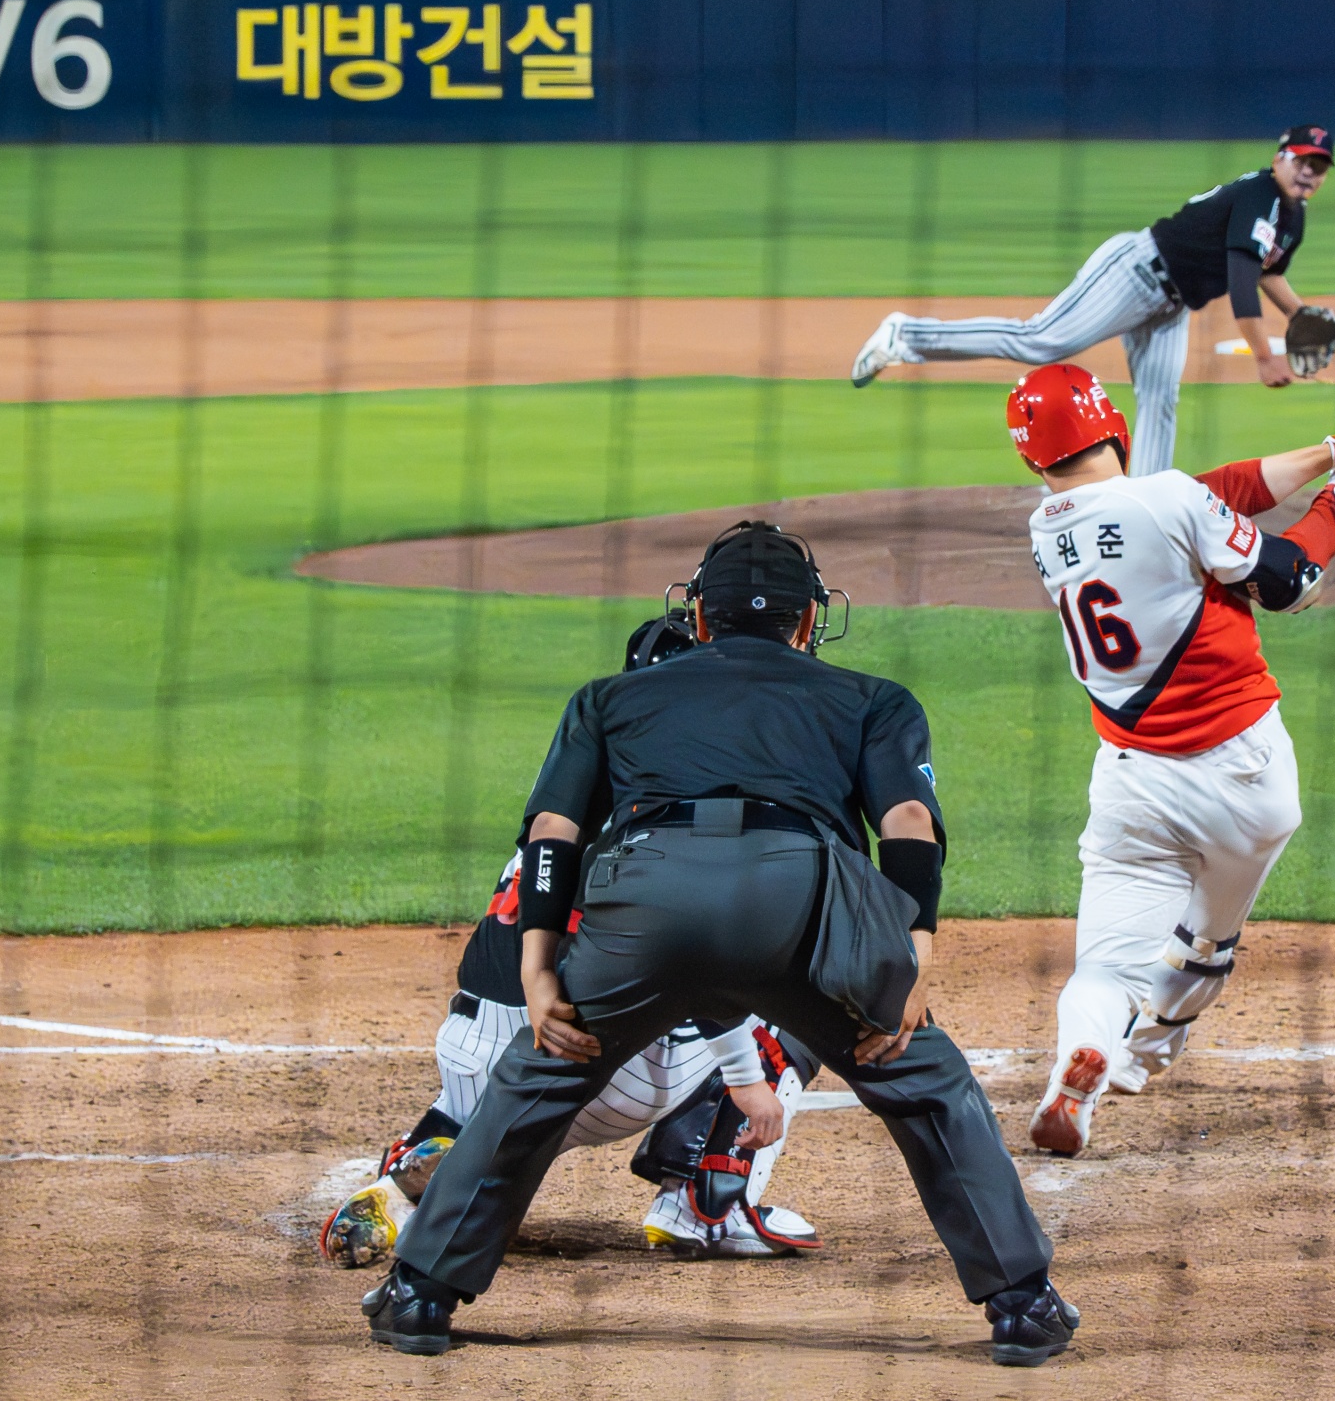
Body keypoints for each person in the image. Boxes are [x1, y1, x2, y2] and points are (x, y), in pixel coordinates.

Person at [366, 522, 1078, 1368]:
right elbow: (908, 824)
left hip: (647, 902)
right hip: (798, 906)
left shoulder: (608, 698)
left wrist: (537, 966)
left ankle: (420, 1294)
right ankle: (1022, 1305)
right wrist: (914, 951)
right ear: (808, 620)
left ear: (699, 617)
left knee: (540, 1076)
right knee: (921, 1077)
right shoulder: (874, 698)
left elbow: (554, 831)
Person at [322, 616, 826, 1270]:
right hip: (594, 1072)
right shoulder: (697, 799)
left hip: (474, 1047)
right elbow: (700, 964)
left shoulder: (576, 781)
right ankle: (706, 1205)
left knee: (506, 1075)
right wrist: (745, 1078)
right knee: (801, 986)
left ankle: (432, 1167)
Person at [999, 364, 1335, 1154]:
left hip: (1133, 786)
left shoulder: (1050, 529)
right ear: (1115, 426)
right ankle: (1145, 1055)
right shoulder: (1170, 501)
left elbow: (1207, 493)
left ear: (1031, 457)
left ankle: (1079, 1064)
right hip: (1246, 779)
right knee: (1205, 940)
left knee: (1103, 969)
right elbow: (1292, 582)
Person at [853, 126, 1335, 477]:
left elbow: (1268, 271)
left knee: (1160, 399)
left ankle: (1146, 502)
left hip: (1172, 305)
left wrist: (1298, 315)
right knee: (1040, 341)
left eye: (1317, 168)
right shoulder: (1259, 194)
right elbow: (1241, 278)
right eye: (1301, 161)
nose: (1308, 173)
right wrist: (1264, 356)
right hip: (1136, 273)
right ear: (1279, 158)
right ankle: (907, 334)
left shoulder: (1292, 218)